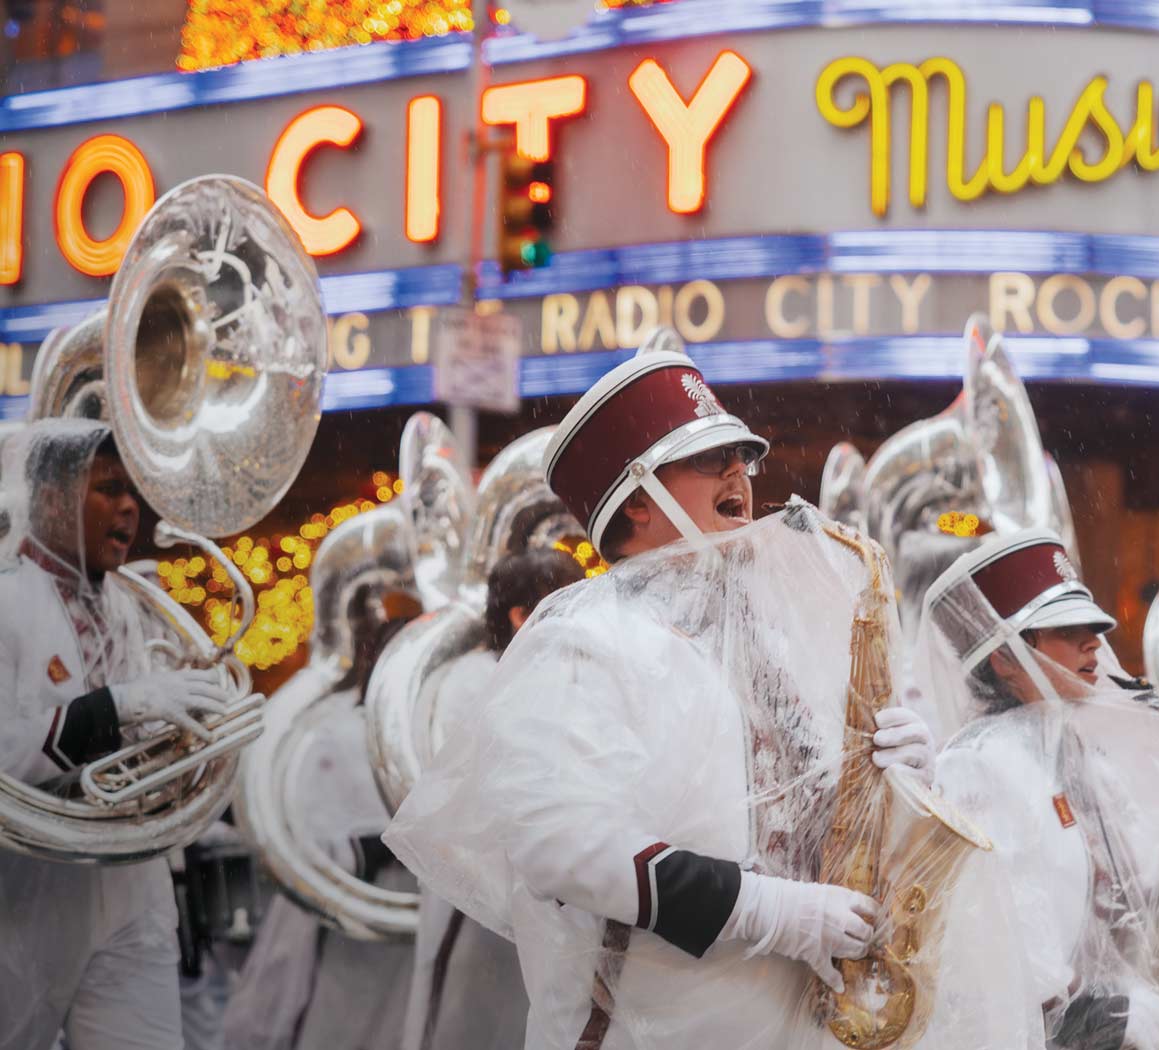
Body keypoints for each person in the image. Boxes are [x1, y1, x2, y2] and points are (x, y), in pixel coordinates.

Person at [382, 343, 1022, 1050]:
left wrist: (899, 778)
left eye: (740, 456)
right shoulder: (582, 636)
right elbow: (558, 842)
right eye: (704, 457)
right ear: (637, 500)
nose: (737, 473)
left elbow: (821, 821)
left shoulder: (766, 633)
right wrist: (769, 911)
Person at [920, 528, 1159, 1050]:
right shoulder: (978, 763)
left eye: (1090, 627)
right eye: (1065, 631)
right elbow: (997, 932)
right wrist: (1103, 1013)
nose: (1092, 642)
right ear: (1005, 659)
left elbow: (1134, 891)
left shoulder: (1075, 744)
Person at [0, 419, 235, 1050]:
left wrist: (189, 734)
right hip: (26, 891)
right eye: (108, 488)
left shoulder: (134, 604)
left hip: (134, 883)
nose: (130, 505)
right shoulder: (6, 604)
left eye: (133, 489)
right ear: (50, 498)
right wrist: (119, 706)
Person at [400, 547, 585, 1050]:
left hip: (554, 890)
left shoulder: (570, 669)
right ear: (522, 616)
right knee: (475, 1023)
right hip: (485, 896)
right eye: (566, 605)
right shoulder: (475, 680)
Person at [221, 601, 416, 1050]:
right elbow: (307, 822)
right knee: (338, 1019)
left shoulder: (419, 723)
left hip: (412, 903)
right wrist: (363, 851)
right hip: (349, 910)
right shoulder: (331, 727)